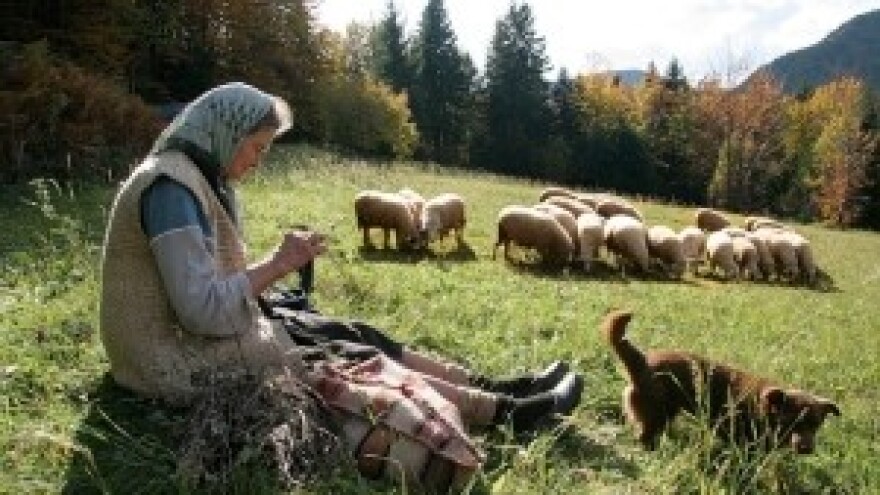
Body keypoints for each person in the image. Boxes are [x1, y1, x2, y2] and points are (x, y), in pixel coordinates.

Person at [99, 82, 583, 490]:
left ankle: (500, 392)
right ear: (227, 133)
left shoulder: (197, 179)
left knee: (347, 329)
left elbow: (207, 287)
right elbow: (200, 310)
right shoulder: (171, 191)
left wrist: (278, 270)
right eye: (258, 146)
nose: (260, 160)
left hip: (199, 333)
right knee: (342, 350)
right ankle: (504, 410)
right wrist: (279, 262)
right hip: (169, 359)